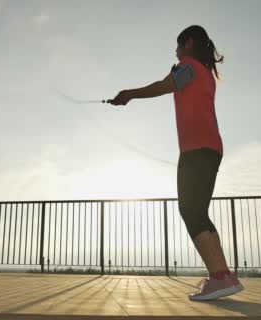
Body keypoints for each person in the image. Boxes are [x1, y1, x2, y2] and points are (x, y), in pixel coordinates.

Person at [107, 25, 244, 301]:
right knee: (197, 211)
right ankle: (224, 275)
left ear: (189, 42)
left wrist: (129, 94)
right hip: (209, 147)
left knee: (191, 211)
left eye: (178, 44)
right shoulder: (204, 73)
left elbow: (164, 86)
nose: (176, 50)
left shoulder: (188, 67)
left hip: (196, 149)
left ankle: (219, 277)